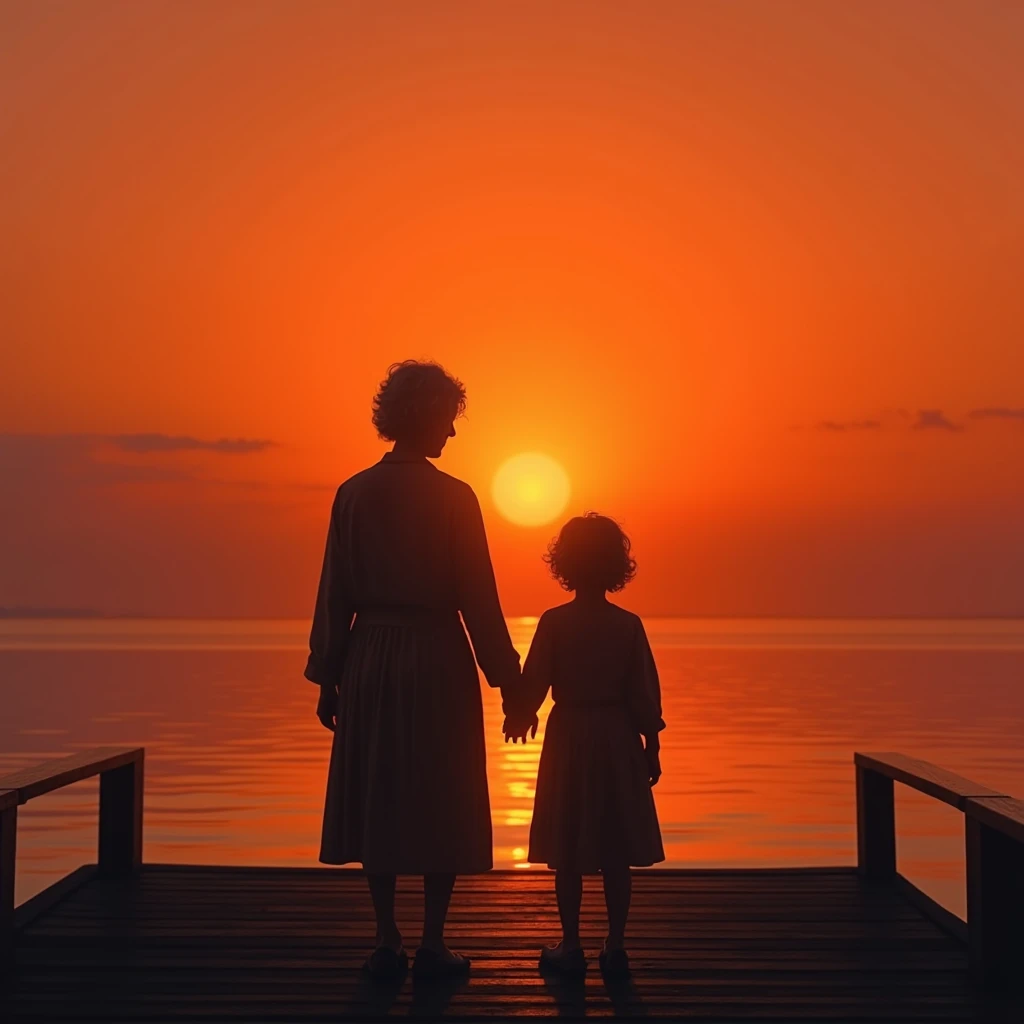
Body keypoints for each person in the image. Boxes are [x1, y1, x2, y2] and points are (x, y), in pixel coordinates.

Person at [306, 360, 528, 981]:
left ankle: (386, 938)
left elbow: (334, 592)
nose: (453, 434)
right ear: (428, 416)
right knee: (442, 792)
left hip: (370, 654)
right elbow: (478, 597)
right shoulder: (454, 497)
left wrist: (328, 672)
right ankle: (431, 941)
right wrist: (509, 684)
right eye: (449, 420)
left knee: (377, 791)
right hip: (436, 654)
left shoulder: (353, 492)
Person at [505, 513, 665, 979]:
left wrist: (520, 713)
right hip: (617, 736)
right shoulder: (627, 625)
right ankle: (615, 944)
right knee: (616, 848)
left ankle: (571, 942)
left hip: (570, 735)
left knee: (568, 847)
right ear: (617, 563)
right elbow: (643, 693)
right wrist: (651, 745)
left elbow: (534, 683)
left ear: (565, 564)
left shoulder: (554, 622)